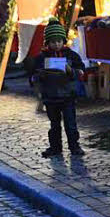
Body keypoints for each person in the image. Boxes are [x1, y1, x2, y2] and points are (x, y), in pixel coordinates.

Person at [27, 18, 85, 157]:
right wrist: (38, 76)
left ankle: (74, 146)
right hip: (50, 96)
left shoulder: (71, 55)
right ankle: (55, 148)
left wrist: (71, 71)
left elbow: (81, 71)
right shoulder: (41, 57)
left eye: (59, 41)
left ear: (63, 41)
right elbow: (33, 75)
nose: (57, 44)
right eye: (53, 42)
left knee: (70, 124)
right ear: (48, 42)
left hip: (67, 95)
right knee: (54, 125)